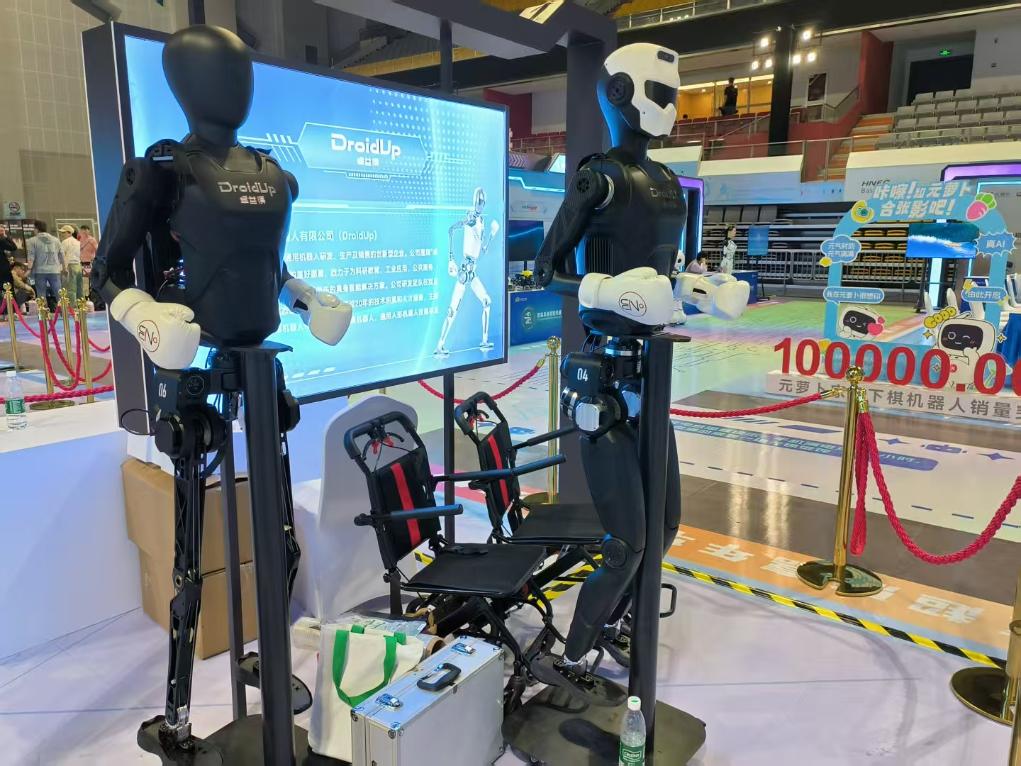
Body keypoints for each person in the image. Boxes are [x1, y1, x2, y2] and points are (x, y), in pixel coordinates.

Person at [26, 220, 64, 311]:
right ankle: (64, 311)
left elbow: (31, 256)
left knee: (41, 293)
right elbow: (61, 254)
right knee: (59, 292)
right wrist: (64, 267)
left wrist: (29, 269)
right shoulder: (56, 240)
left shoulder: (31, 241)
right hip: (54, 270)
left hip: (40, 271)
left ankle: (44, 312)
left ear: (36, 229)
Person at [58, 224, 83, 304]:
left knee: (70, 288)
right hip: (78, 266)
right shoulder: (78, 242)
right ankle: (81, 306)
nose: (62, 234)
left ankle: (72, 307)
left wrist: (63, 268)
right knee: (79, 288)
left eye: (64, 232)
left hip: (69, 266)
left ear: (69, 233)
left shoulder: (65, 242)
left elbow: (62, 256)